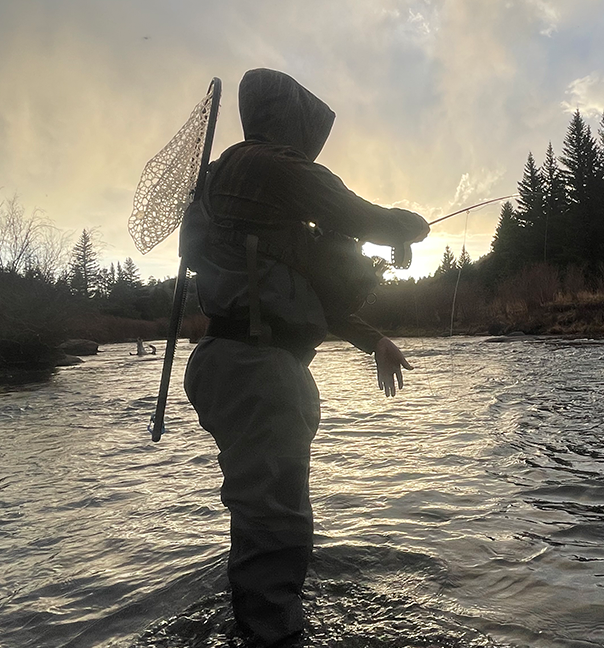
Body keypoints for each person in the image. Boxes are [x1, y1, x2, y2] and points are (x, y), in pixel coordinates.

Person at [182, 68, 429, 646]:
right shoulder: (267, 166)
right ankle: (271, 636)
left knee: (261, 517)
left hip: (228, 361)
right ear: (284, 116)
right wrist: (406, 226)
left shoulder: (229, 190)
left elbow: (302, 289)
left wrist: (375, 340)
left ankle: (258, 623)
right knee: (274, 527)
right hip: (257, 368)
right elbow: (355, 212)